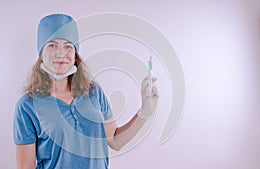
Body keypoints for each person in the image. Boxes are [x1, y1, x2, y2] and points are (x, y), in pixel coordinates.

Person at [13, 13, 159, 169]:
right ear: (41, 53)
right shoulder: (27, 106)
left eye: (68, 46)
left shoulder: (94, 92)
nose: (61, 53)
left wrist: (144, 113)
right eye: (52, 45)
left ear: (75, 53)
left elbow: (115, 141)